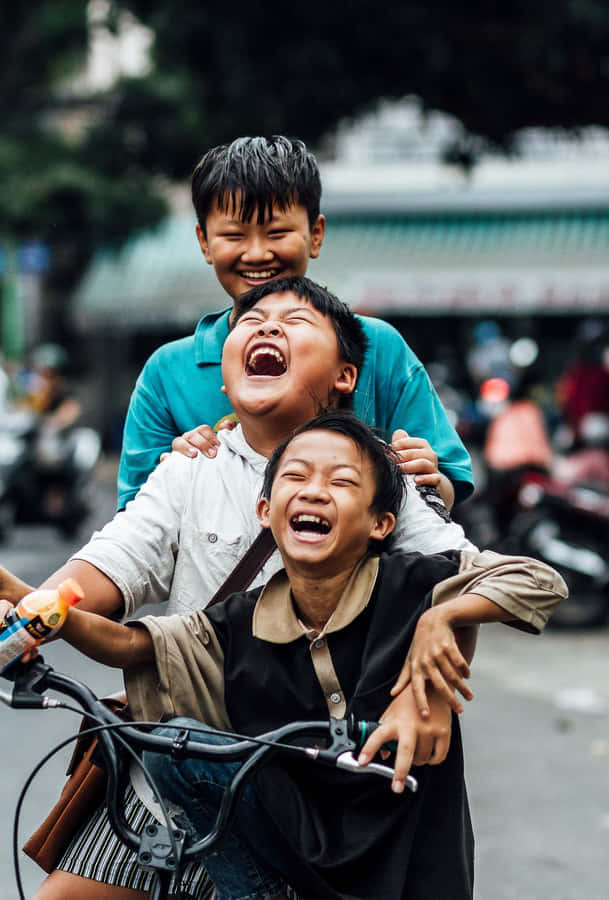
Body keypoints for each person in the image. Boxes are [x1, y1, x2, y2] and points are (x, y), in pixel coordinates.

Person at [0, 277, 564, 899]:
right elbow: (110, 576)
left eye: (295, 320)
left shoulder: (384, 475)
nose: (267, 326)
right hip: (177, 770)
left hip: (317, 795)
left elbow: (475, 573)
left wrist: (433, 652)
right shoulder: (192, 468)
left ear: (346, 375)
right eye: (252, 319)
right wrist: (27, 610)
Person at [117, 135, 474, 512]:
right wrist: (172, 474)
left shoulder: (378, 346)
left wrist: (428, 478)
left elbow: (445, 491)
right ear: (204, 242)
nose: (257, 253)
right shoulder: (167, 372)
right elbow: (134, 520)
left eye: (277, 233)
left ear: (315, 235)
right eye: (234, 235)